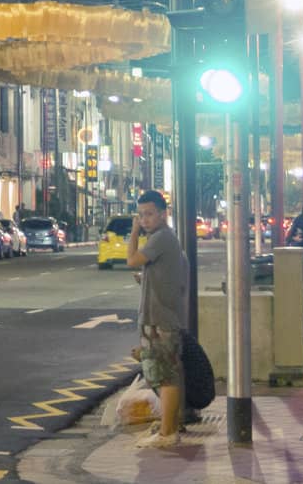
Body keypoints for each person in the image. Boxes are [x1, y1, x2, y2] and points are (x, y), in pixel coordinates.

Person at [127, 188, 186, 450]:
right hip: (157, 316)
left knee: (166, 378)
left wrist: (133, 232)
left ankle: (168, 433)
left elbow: (131, 260)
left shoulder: (161, 237)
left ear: (163, 214)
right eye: (141, 215)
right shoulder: (163, 239)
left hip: (162, 319)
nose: (144, 220)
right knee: (159, 375)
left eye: (149, 214)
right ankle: (168, 426)